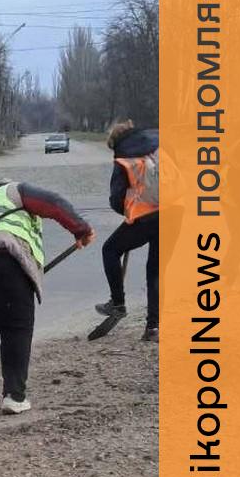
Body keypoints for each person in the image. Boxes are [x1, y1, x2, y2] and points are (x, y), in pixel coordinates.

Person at [0, 181, 93, 414]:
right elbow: (53, 203)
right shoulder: (14, 190)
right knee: (16, 328)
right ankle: (14, 396)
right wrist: (81, 229)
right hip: (6, 259)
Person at [94, 120, 159, 341]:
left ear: (115, 142)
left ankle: (118, 303)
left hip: (146, 217)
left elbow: (116, 199)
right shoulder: (157, 147)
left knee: (110, 250)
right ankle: (152, 328)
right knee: (155, 272)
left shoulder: (123, 158)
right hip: (175, 213)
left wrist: (129, 210)